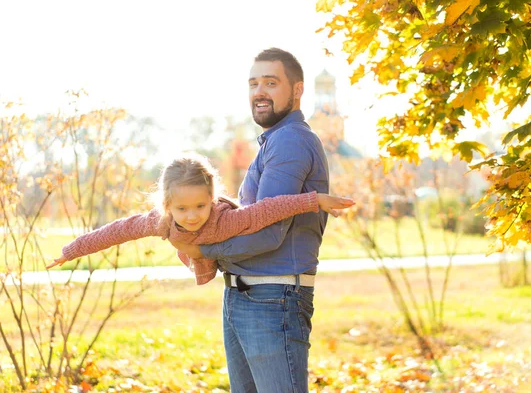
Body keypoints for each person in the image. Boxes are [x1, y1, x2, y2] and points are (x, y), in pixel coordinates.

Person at [172, 48, 331, 392]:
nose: (259, 92)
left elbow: (267, 232)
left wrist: (203, 250)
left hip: (272, 298)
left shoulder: (290, 141)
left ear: (298, 89)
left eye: (271, 83)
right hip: (249, 295)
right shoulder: (273, 141)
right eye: (253, 83)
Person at [46, 154, 353, 286]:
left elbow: (269, 209)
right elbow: (116, 232)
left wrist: (315, 200)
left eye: (200, 206)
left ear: (211, 198)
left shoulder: (226, 220)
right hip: (195, 255)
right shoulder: (160, 221)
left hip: (233, 256)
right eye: (182, 209)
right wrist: (70, 251)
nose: (192, 216)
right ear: (167, 205)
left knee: (237, 234)